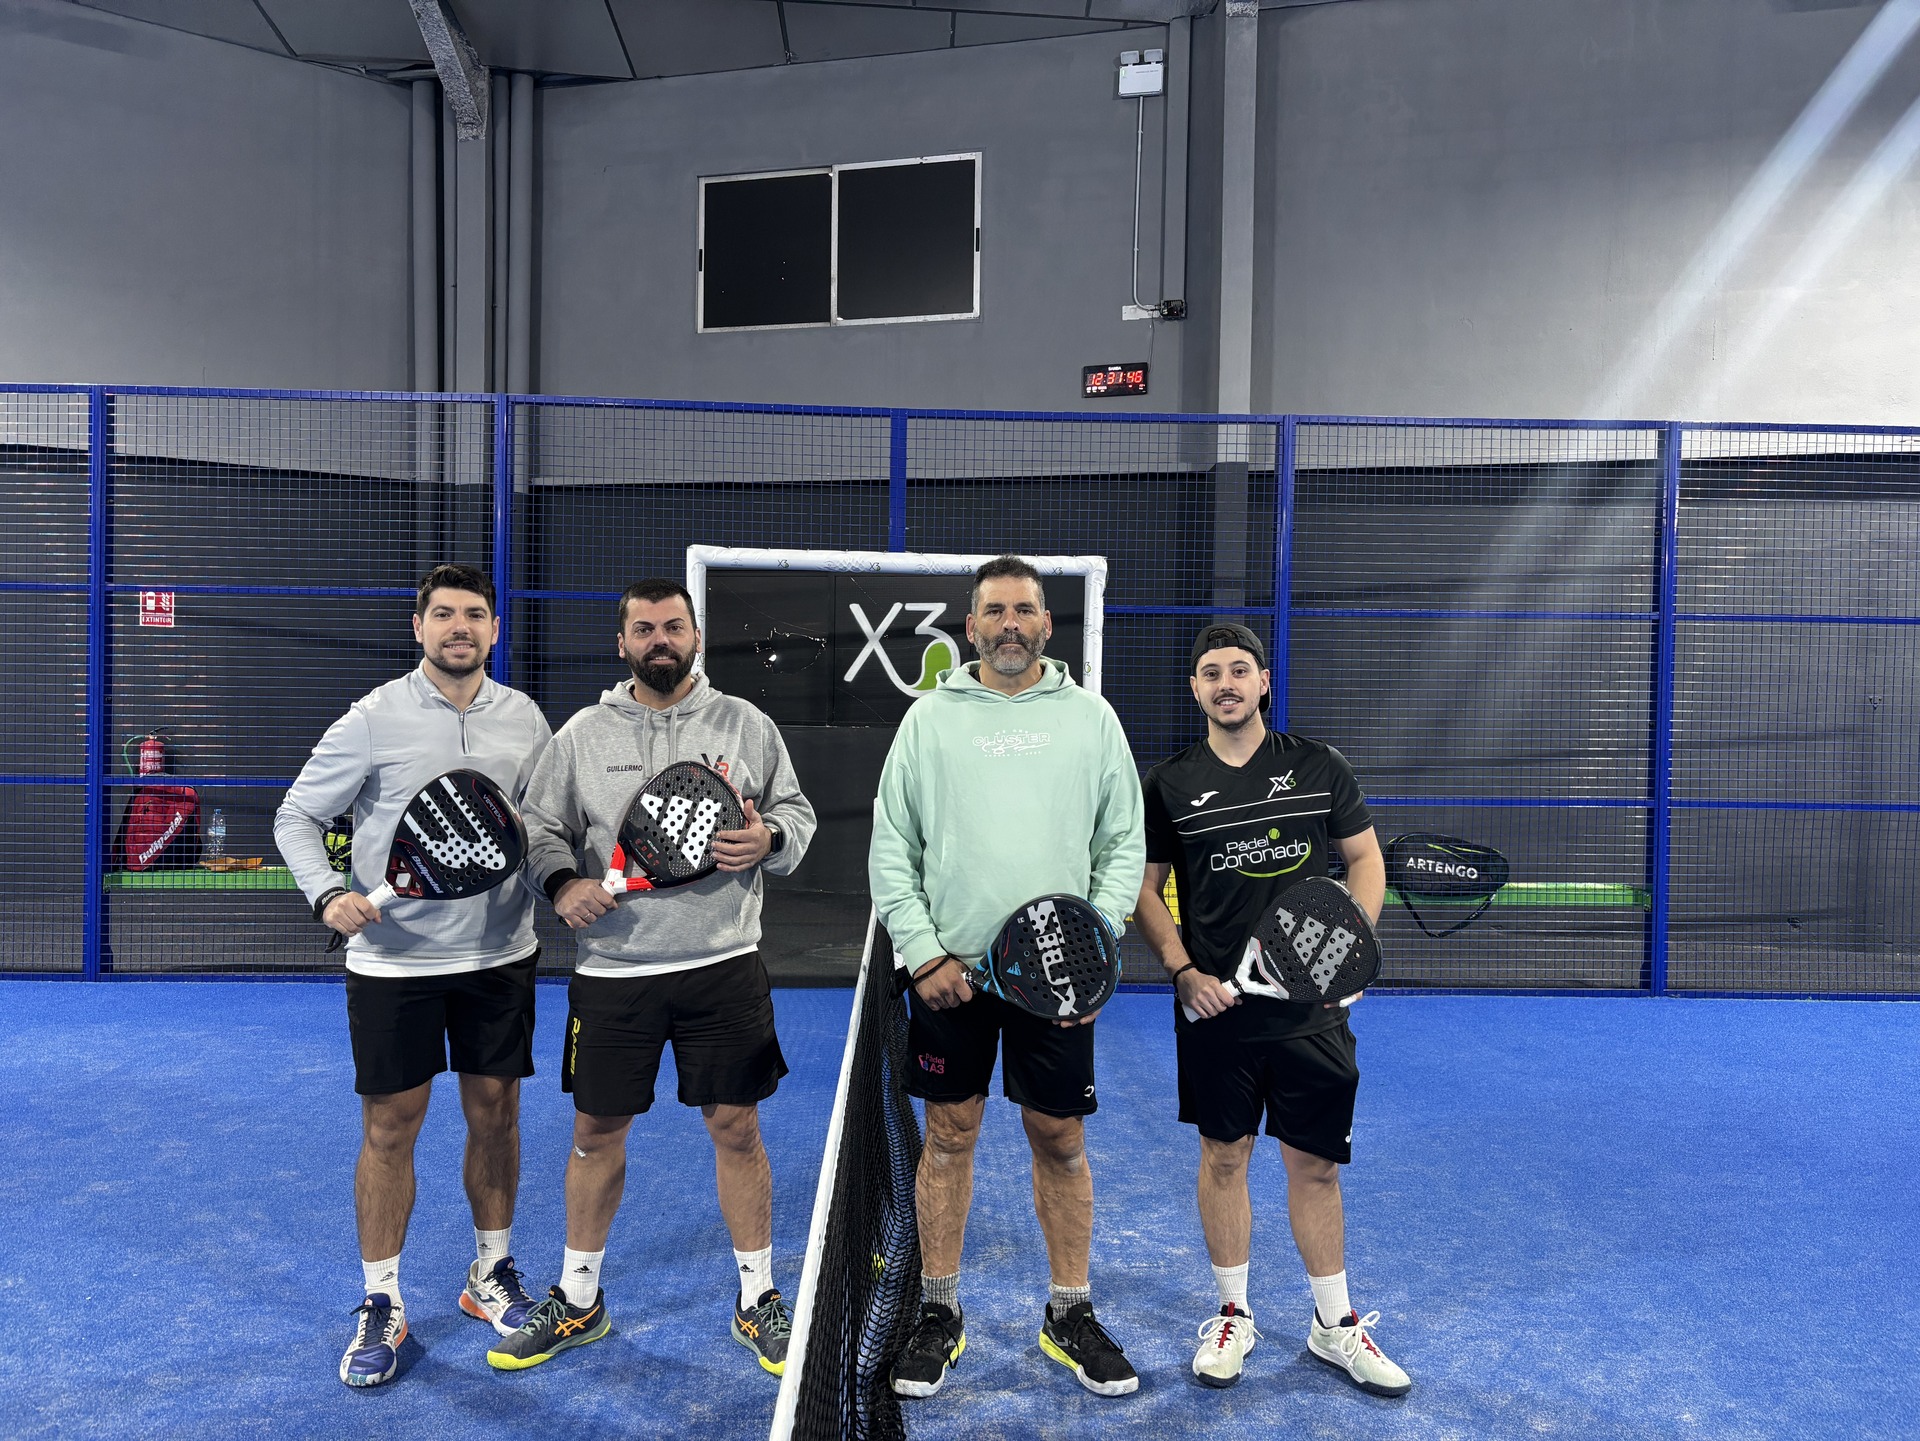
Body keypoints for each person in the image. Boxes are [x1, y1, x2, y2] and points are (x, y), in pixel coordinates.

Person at [487, 578, 816, 1376]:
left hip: (723, 966)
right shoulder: (582, 734)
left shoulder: (747, 724)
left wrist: (768, 838)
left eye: (673, 626)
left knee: (737, 1127)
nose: (659, 639)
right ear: (622, 642)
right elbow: (539, 828)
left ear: (695, 636)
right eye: (644, 628)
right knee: (595, 1134)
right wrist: (562, 882)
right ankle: (578, 1297)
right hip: (614, 974)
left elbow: (797, 815)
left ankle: (758, 1296)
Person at [869, 555, 1146, 1400]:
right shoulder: (928, 720)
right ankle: (938, 1310)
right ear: (972, 627)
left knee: (1059, 1138)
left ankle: (1069, 1311)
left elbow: (1122, 843)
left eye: (1025, 609)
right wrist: (924, 954)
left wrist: (1091, 954)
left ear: (1048, 624)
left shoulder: (1092, 719)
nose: (1011, 623)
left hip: (1057, 980)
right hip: (951, 977)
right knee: (949, 1134)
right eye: (995, 610)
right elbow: (892, 844)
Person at [274, 563, 553, 1388]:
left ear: (494, 629)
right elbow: (297, 814)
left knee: (496, 1115)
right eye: (444, 614)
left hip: (500, 956)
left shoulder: (525, 719)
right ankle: (382, 1299)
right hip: (393, 964)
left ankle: (490, 1273)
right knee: (390, 1129)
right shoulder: (373, 717)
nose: (460, 627)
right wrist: (328, 893)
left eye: (474, 614)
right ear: (419, 627)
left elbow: (539, 826)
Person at [1133, 622, 1411, 1396]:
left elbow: (1364, 857)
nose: (1225, 683)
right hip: (1216, 1012)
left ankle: (1335, 1324)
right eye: (1210, 672)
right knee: (1224, 1156)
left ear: (1263, 681)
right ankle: (1234, 1313)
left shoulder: (1319, 766)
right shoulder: (1170, 782)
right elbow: (1144, 890)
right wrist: (1183, 970)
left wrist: (1349, 944)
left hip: (1311, 1014)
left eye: (1239, 670)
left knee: (1313, 1164)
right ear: (1195, 689)